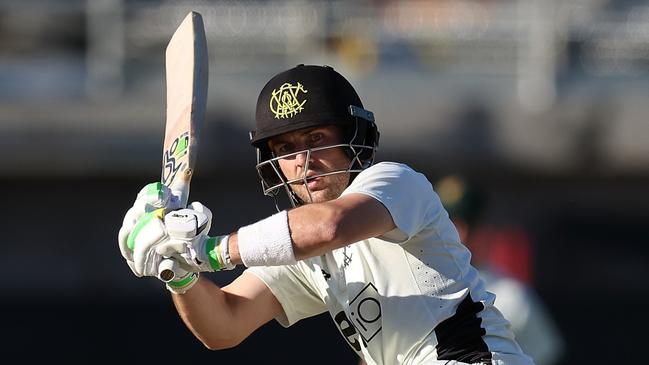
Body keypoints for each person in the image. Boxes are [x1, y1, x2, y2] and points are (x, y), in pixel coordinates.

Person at [118, 65, 534, 365]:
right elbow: (224, 326)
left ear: (353, 138)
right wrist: (178, 270)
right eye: (285, 150)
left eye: (316, 138)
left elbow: (329, 226)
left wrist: (210, 251)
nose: (304, 161)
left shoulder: (396, 183)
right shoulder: (302, 249)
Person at [435, 175, 564, 365]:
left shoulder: (513, 298)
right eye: (449, 224)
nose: (460, 236)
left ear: (487, 230)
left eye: (469, 225)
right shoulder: (402, 285)